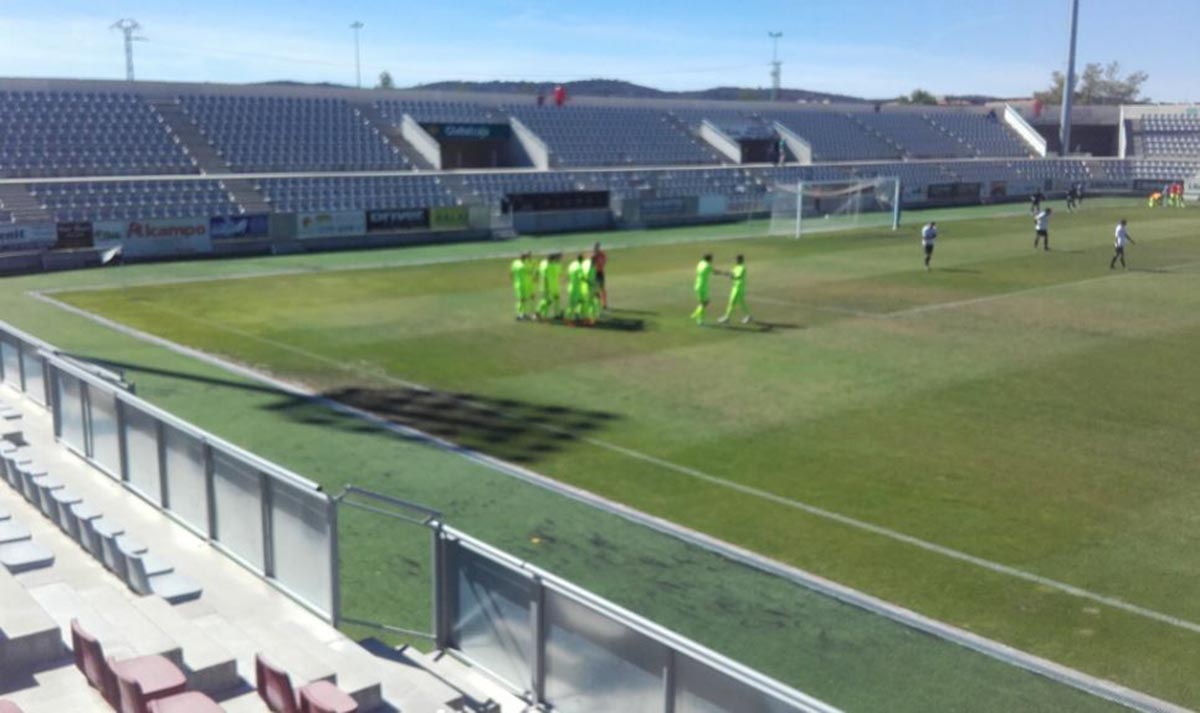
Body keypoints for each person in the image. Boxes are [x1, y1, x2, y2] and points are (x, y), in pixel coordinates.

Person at [718, 254, 752, 324]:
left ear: (740, 260)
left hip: (738, 287)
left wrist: (732, 276)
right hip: (735, 287)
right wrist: (726, 273)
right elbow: (732, 273)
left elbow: (738, 277)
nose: (735, 260)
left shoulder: (742, 268)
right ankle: (748, 316)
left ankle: (727, 317)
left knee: (732, 302)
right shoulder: (736, 267)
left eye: (736, 259)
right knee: (741, 302)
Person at [537, 253, 563, 320]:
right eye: (558, 258)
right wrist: (546, 286)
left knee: (556, 300)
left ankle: (556, 314)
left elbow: (558, 274)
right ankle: (538, 312)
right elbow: (544, 277)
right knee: (547, 301)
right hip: (547, 286)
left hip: (554, 286)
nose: (559, 260)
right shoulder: (547, 265)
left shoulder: (554, 265)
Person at [690, 253, 714, 325]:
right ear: (709, 259)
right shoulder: (708, 266)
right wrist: (724, 273)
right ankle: (698, 318)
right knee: (704, 303)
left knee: (703, 303)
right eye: (711, 259)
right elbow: (715, 272)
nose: (712, 260)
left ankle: (696, 315)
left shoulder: (700, 263)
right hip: (702, 287)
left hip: (697, 285)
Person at [511, 252, 533, 320]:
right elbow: (530, 272)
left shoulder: (517, 263)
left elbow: (511, 272)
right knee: (521, 299)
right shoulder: (522, 264)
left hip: (525, 284)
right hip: (520, 284)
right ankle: (519, 315)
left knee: (525, 299)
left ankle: (524, 313)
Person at [566, 253, 585, 323]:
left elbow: (568, 274)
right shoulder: (579, 267)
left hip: (572, 286)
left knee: (581, 301)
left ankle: (577, 314)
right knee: (572, 304)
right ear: (581, 259)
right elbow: (581, 277)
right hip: (575, 288)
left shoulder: (572, 264)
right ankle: (568, 318)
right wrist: (589, 282)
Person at [592, 242, 608, 310]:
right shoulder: (594, 255)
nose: (595, 248)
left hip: (599, 273)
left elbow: (603, 262)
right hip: (595, 273)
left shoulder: (600, 255)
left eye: (596, 247)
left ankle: (604, 304)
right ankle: (598, 303)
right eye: (595, 247)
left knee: (601, 289)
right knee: (596, 289)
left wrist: (598, 264)